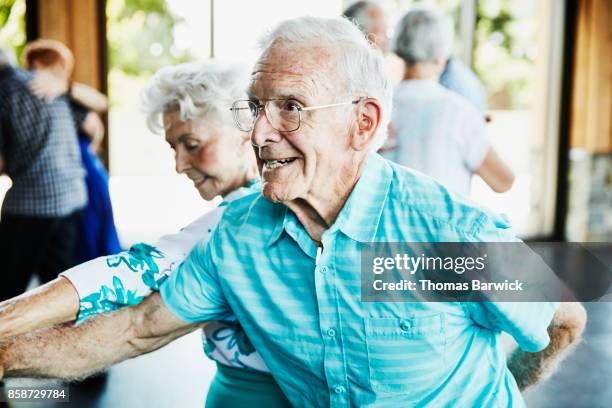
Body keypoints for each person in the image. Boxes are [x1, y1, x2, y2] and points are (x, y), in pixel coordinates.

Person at [0, 18, 585, 406]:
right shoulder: (240, 238)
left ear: (364, 123)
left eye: (290, 108)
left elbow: (562, 321)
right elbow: (132, 329)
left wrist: (505, 387)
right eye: (255, 107)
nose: (257, 132)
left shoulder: (445, 240)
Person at [0, 60, 290, 407]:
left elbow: (137, 273)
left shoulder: (242, 221)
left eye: (192, 143)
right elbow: (137, 327)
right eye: (173, 147)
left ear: (248, 132)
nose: (179, 164)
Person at [383, 8, 514, 196]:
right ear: (440, 57)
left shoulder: (378, 107)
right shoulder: (459, 112)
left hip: (386, 224)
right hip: (442, 225)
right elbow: (503, 181)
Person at [0, 46, 87, 301]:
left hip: (33, 201)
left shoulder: (2, 92)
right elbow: (92, 123)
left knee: (6, 286)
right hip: (72, 194)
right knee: (57, 282)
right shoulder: (45, 83)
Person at [23, 39, 122, 263]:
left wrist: (66, 88)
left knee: (92, 231)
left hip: (86, 172)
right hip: (70, 172)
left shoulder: (66, 93)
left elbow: (100, 107)